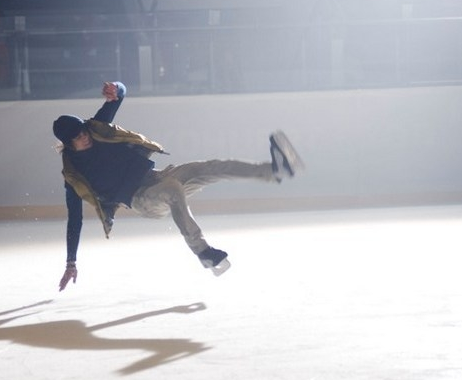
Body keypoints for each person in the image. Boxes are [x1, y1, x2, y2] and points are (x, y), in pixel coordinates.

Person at [53, 81, 303, 291]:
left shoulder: (97, 129)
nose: (84, 137)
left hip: (157, 176)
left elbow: (120, 94)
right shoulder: (73, 175)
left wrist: (116, 89)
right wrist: (70, 262)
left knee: (209, 167)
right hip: (141, 200)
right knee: (172, 189)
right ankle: (203, 252)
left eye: (83, 131)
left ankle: (273, 170)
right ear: (68, 144)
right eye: (77, 137)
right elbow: (74, 220)